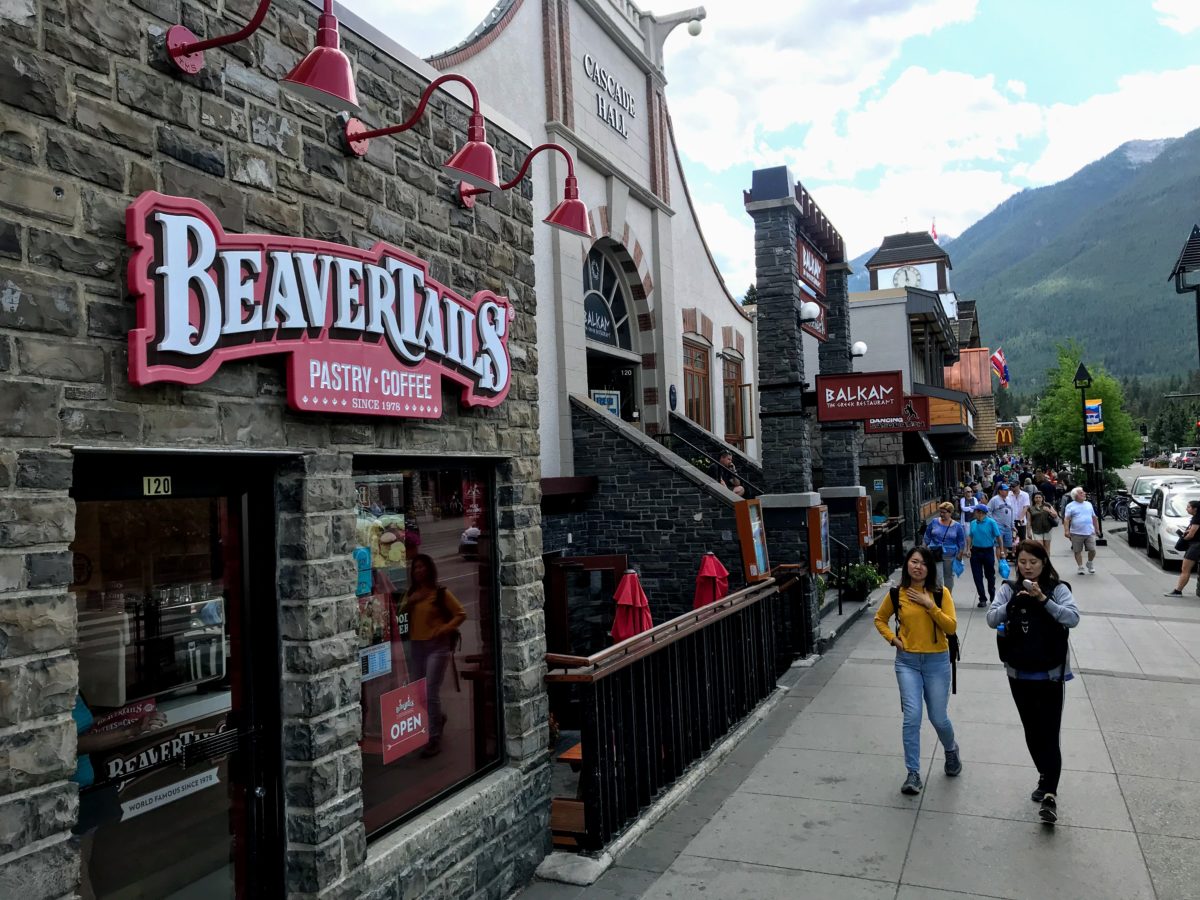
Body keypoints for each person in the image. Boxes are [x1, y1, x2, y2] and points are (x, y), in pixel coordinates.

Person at [986, 541, 1080, 824]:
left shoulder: (1058, 588)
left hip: (1050, 675)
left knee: (1050, 733)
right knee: (1032, 731)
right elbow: (992, 618)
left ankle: (1050, 793)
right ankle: (1044, 772)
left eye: (1033, 562)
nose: (1027, 567)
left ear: (1044, 562)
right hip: (1019, 672)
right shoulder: (1008, 588)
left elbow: (1073, 618)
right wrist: (1014, 601)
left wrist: (1042, 599)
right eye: (1023, 562)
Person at [874, 546, 962, 795]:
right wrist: (893, 639)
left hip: (937, 662)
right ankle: (913, 773)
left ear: (929, 568)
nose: (918, 566)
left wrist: (929, 605)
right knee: (912, 717)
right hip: (907, 663)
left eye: (923, 563)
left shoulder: (939, 593)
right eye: (914, 561)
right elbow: (880, 619)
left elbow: (952, 627)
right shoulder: (896, 594)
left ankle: (951, 749)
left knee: (937, 717)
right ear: (907, 565)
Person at [399, 553, 467, 758]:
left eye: (422, 567)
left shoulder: (439, 593)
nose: (418, 570)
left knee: (430, 691)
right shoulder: (411, 594)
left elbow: (461, 613)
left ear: (429, 569)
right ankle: (437, 718)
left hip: (436, 647)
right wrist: (410, 602)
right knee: (419, 694)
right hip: (416, 647)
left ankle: (433, 738)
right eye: (415, 567)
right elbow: (397, 614)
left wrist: (445, 628)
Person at [923, 501, 967, 591]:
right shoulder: (934, 522)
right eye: (940, 512)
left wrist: (960, 554)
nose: (941, 514)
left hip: (950, 555)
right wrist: (924, 549)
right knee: (937, 577)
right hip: (935, 554)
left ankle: (947, 597)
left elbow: (961, 541)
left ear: (950, 513)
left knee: (948, 577)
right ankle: (939, 597)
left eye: (944, 512)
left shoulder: (957, 526)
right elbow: (927, 535)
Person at [966, 502, 1002, 608]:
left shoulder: (991, 522)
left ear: (981, 513)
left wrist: (1002, 551)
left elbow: (998, 537)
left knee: (990, 575)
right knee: (977, 576)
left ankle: (992, 595)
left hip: (988, 551)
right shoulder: (973, 523)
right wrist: (968, 549)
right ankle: (982, 598)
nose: (974, 513)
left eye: (975, 511)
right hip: (976, 552)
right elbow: (970, 536)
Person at [1165, 499, 1200, 596]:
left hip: (1195, 546)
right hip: (1196, 545)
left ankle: (1178, 590)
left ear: (1195, 509)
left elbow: (1192, 534)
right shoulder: (1196, 518)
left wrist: (1184, 538)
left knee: (1185, 569)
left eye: (1189, 507)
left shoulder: (1197, 518)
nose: (1186, 509)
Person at [1063, 486, 1100, 575]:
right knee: (1077, 550)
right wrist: (1066, 531)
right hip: (1076, 532)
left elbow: (1094, 517)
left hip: (1089, 531)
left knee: (1092, 549)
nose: (1084, 493)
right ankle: (1080, 567)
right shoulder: (1070, 506)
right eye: (1081, 493)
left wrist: (1097, 529)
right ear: (1075, 496)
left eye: (1083, 492)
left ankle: (1090, 562)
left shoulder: (1088, 504)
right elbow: (1066, 519)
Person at [988, 483, 1017, 558]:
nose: (1007, 491)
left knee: (1006, 546)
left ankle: (1004, 562)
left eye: (1007, 490)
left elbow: (1012, 512)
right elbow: (988, 511)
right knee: (998, 546)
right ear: (1000, 491)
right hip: (998, 526)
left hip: (1008, 526)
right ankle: (1000, 563)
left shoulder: (1009, 499)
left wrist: (1012, 525)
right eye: (1005, 490)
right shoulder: (994, 499)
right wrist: (993, 522)